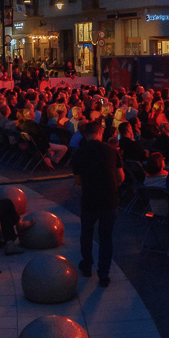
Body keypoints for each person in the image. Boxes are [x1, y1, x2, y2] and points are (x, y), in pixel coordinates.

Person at [68, 120, 123, 286]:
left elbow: (78, 182)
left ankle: (87, 265)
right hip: (109, 199)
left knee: (87, 233)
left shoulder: (79, 153)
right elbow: (120, 177)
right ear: (100, 133)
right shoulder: (111, 151)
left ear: (85, 134)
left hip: (90, 199)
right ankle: (103, 273)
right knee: (106, 237)